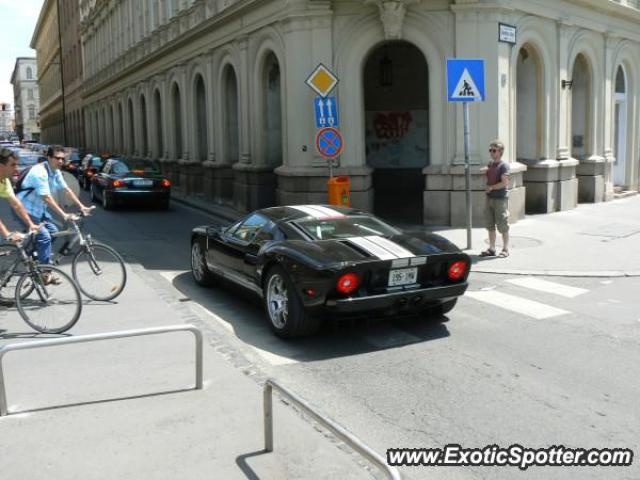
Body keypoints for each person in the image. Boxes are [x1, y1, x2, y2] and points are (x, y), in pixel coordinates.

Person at [16, 145, 92, 284]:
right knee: (44, 237)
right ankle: (45, 273)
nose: (61, 161)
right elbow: (46, 197)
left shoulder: (55, 171)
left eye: (63, 159)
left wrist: (82, 206)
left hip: (39, 209)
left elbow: (66, 189)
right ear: (49, 158)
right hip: (24, 209)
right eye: (57, 158)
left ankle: (35, 258)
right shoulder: (40, 172)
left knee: (53, 231)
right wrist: (64, 214)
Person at [0, 148, 40, 243]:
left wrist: (31, 224)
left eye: (17, 164)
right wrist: (6, 234)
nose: (16, 168)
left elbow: (16, 204)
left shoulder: (5, 181)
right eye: (13, 165)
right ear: (1, 167)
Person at [480, 140, 510, 258]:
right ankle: (492, 249)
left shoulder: (504, 166)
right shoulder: (491, 164)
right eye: (490, 150)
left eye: (494, 150)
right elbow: (487, 169)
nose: (491, 152)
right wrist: (484, 170)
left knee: (502, 225)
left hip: (500, 199)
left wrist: (491, 187)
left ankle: (505, 249)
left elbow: (505, 183)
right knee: (490, 224)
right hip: (489, 199)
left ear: (500, 152)